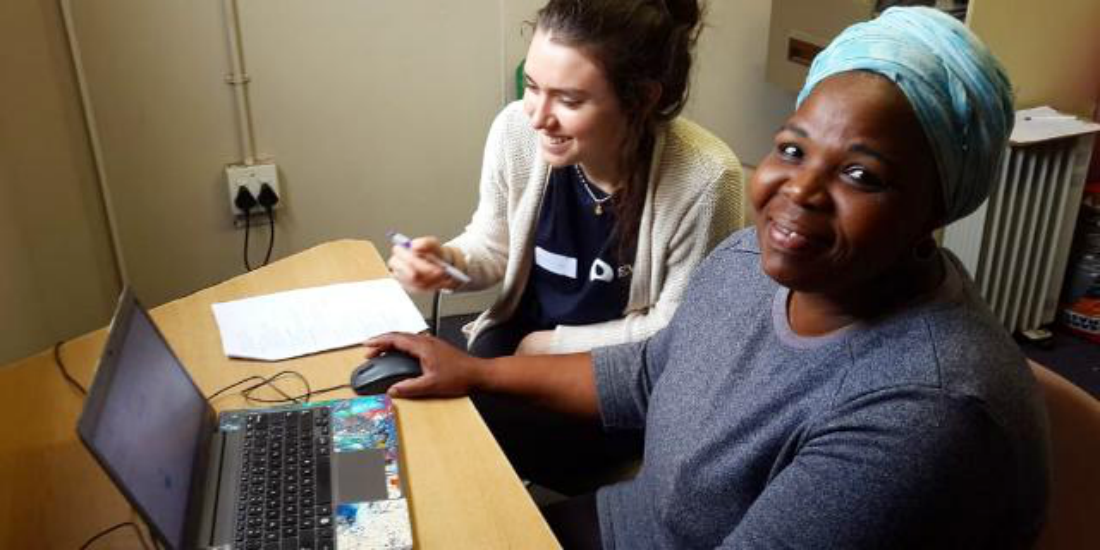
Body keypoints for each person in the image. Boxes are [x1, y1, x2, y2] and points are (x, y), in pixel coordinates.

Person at [366, 6, 1051, 548]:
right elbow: (645, 373)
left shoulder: (921, 414)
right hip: (630, 524)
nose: (798, 191)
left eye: (861, 174)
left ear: (938, 207)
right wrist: (472, 372)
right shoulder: (750, 263)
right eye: (792, 148)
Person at [388, 0, 744, 358]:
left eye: (569, 100)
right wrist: (449, 263)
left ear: (641, 98)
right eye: (532, 86)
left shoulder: (706, 180)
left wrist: (550, 347)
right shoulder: (515, 131)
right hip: (522, 339)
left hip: (626, 367)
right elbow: (494, 245)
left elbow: (676, 328)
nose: (538, 118)